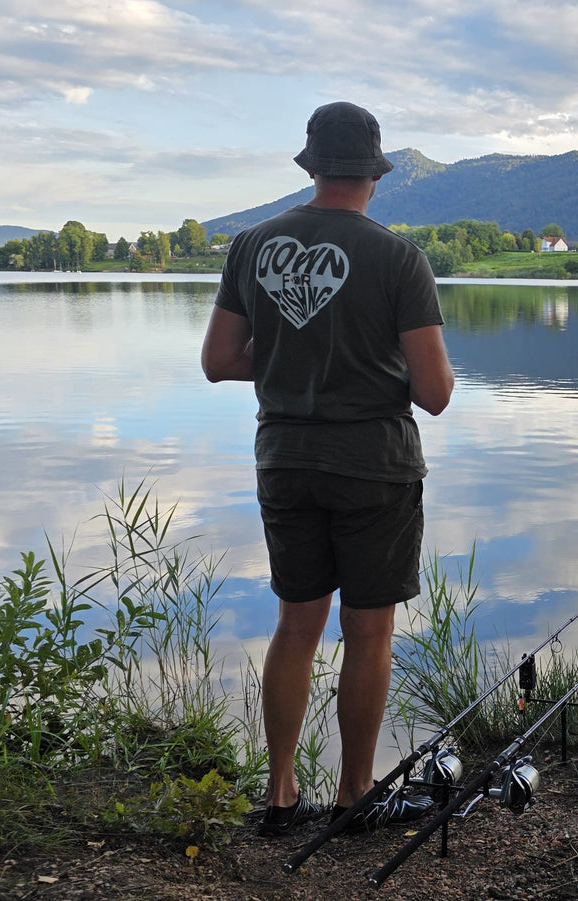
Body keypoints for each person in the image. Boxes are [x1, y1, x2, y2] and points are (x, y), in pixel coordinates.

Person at [201, 100, 455, 837]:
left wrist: (293, 366)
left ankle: (279, 797)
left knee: (295, 625)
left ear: (311, 167)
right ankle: (353, 796)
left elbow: (220, 361)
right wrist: (367, 374)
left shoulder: (252, 244)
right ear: (373, 175)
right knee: (369, 632)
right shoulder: (398, 258)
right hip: (373, 465)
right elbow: (435, 393)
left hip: (285, 459)